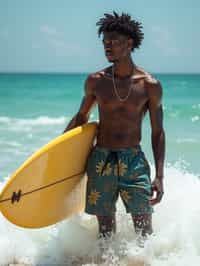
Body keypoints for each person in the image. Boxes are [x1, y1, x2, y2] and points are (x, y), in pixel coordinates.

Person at [63, 11, 165, 238]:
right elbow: (81, 117)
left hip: (134, 161)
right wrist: (58, 154)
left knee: (144, 227)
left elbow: (158, 132)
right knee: (105, 230)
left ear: (129, 44)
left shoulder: (150, 85)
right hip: (101, 159)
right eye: (105, 43)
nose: (107, 47)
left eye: (113, 42)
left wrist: (159, 175)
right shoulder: (96, 82)